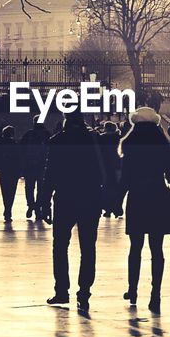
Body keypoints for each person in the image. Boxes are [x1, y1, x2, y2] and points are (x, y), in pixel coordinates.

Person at [41, 112, 108, 311]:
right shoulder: (95, 140)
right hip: (91, 198)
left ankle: (62, 291)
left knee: (60, 246)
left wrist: (44, 202)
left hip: (65, 199)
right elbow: (105, 169)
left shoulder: (57, 141)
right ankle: (84, 293)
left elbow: (50, 173)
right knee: (88, 248)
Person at [118, 107, 170, 311]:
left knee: (135, 248)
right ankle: (155, 294)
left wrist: (116, 201)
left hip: (137, 199)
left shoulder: (130, 145)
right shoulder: (162, 145)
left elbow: (124, 179)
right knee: (156, 250)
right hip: (157, 198)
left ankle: (132, 289)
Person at [0, 126, 21, 222]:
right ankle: (8, 209)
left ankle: (6, 208)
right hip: (13, 171)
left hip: (3, 170)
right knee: (11, 192)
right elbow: (20, 159)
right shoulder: (15, 145)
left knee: (5, 191)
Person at [20, 122, 49, 221]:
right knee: (41, 189)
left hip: (29, 166)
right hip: (42, 166)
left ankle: (30, 205)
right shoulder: (46, 134)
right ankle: (38, 207)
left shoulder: (28, 134)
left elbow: (21, 149)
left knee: (29, 187)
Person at [97, 121, 123, 216]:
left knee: (106, 187)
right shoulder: (119, 138)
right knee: (116, 187)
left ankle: (107, 209)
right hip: (117, 166)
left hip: (104, 166)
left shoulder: (101, 138)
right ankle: (116, 207)